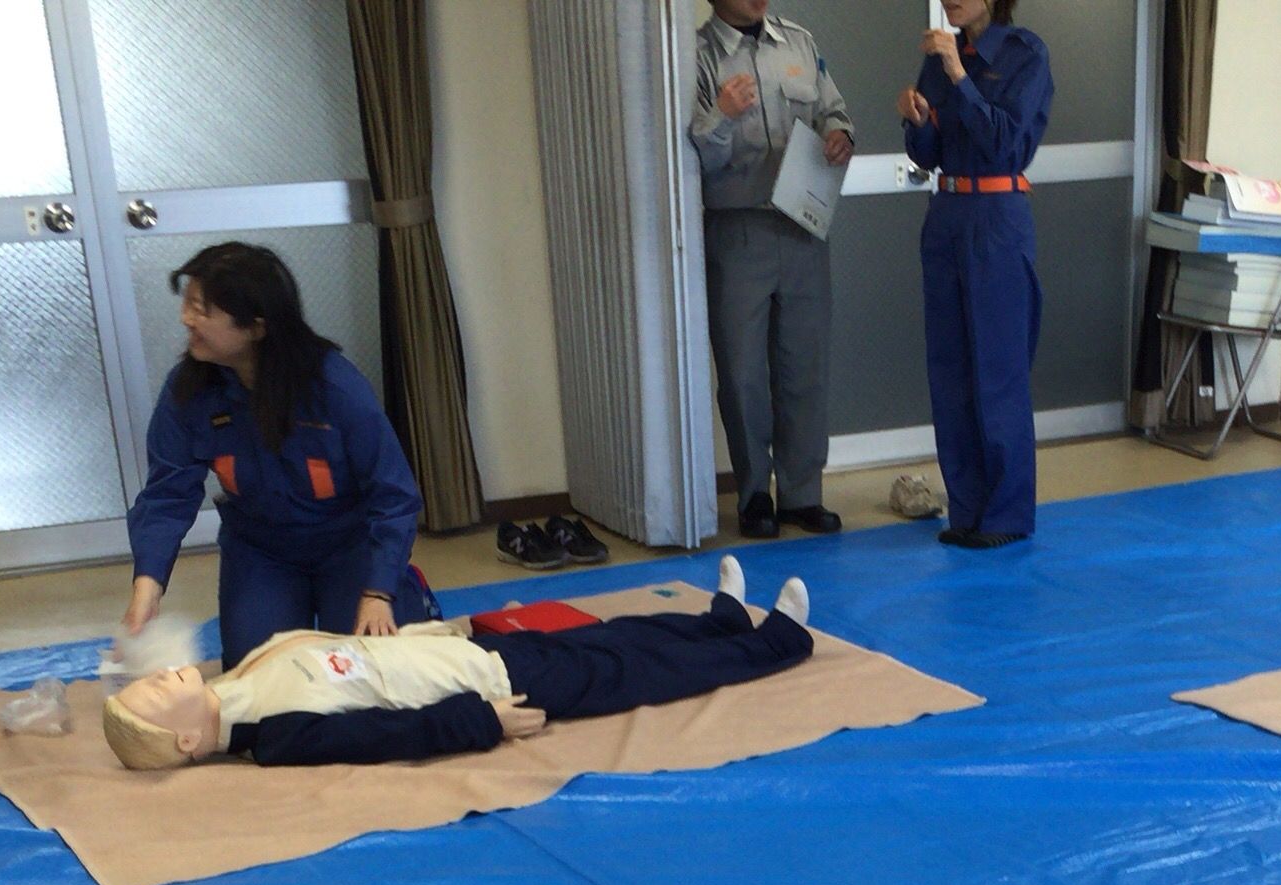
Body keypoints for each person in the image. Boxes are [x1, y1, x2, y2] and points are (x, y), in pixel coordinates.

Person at [102, 557, 811, 769]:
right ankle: (777, 641)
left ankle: (715, 621)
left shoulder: (245, 672)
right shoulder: (277, 734)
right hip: (497, 686)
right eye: (155, 696)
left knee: (617, 632)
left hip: (465, 651)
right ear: (188, 740)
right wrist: (483, 722)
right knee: (633, 670)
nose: (158, 677)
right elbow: (387, 734)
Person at [124, 242, 433, 671]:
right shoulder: (190, 391)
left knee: (379, 669)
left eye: (200, 309)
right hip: (262, 551)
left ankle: (407, 588)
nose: (186, 319)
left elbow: (394, 494)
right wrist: (148, 584)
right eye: (187, 304)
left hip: (350, 546)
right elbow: (167, 494)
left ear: (256, 327)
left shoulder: (335, 388)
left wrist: (379, 591)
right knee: (259, 677)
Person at [690, 0, 854, 541]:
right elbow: (692, 158)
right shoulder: (697, 55)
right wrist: (721, 115)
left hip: (803, 225)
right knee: (742, 373)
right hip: (738, 228)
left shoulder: (799, 42)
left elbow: (833, 110)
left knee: (805, 366)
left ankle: (803, 494)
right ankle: (755, 494)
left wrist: (840, 135)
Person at [899, 0, 1053, 550]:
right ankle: (966, 507)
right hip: (947, 214)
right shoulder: (941, 55)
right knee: (950, 370)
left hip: (996, 217)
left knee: (998, 369)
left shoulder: (1024, 53)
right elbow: (928, 154)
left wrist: (960, 79)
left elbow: (1008, 144)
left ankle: (1006, 513)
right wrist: (917, 120)